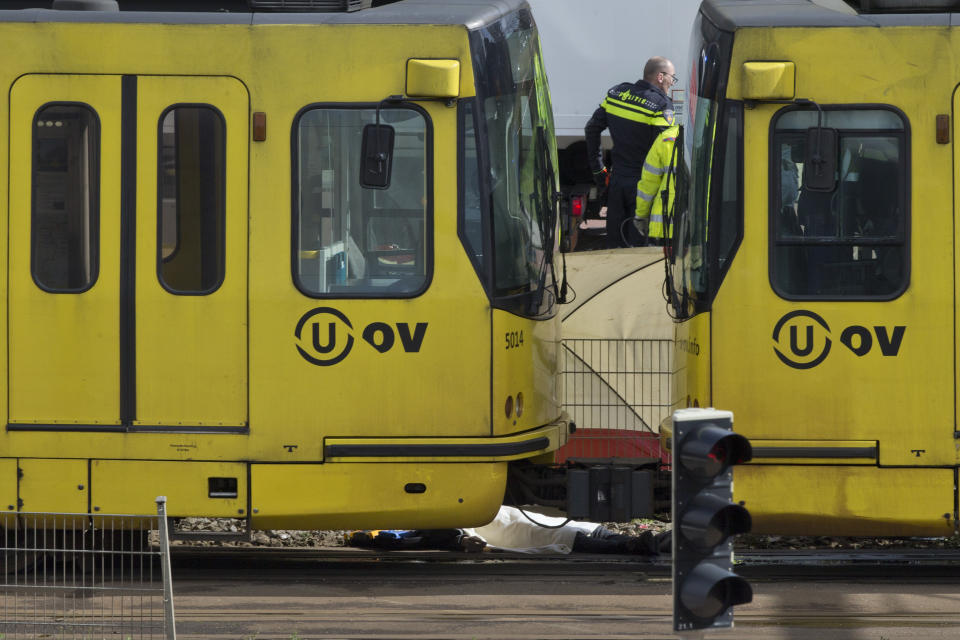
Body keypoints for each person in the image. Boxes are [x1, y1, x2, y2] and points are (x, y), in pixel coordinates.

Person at [585, 56, 677, 248]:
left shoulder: (617, 93)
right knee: (638, 250)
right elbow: (664, 151)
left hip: (616, 182)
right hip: (642, 186)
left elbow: (591, 128)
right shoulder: (661, 106)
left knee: (614, 245)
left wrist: (599, 171)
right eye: (672, 78)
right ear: (660, 77)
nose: (672, 83)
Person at [635, 123, 680, 245]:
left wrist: (641, 214)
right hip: (708, 229)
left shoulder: (666, 139)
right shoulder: (721, 136)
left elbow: (648, 184)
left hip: (667, 225)